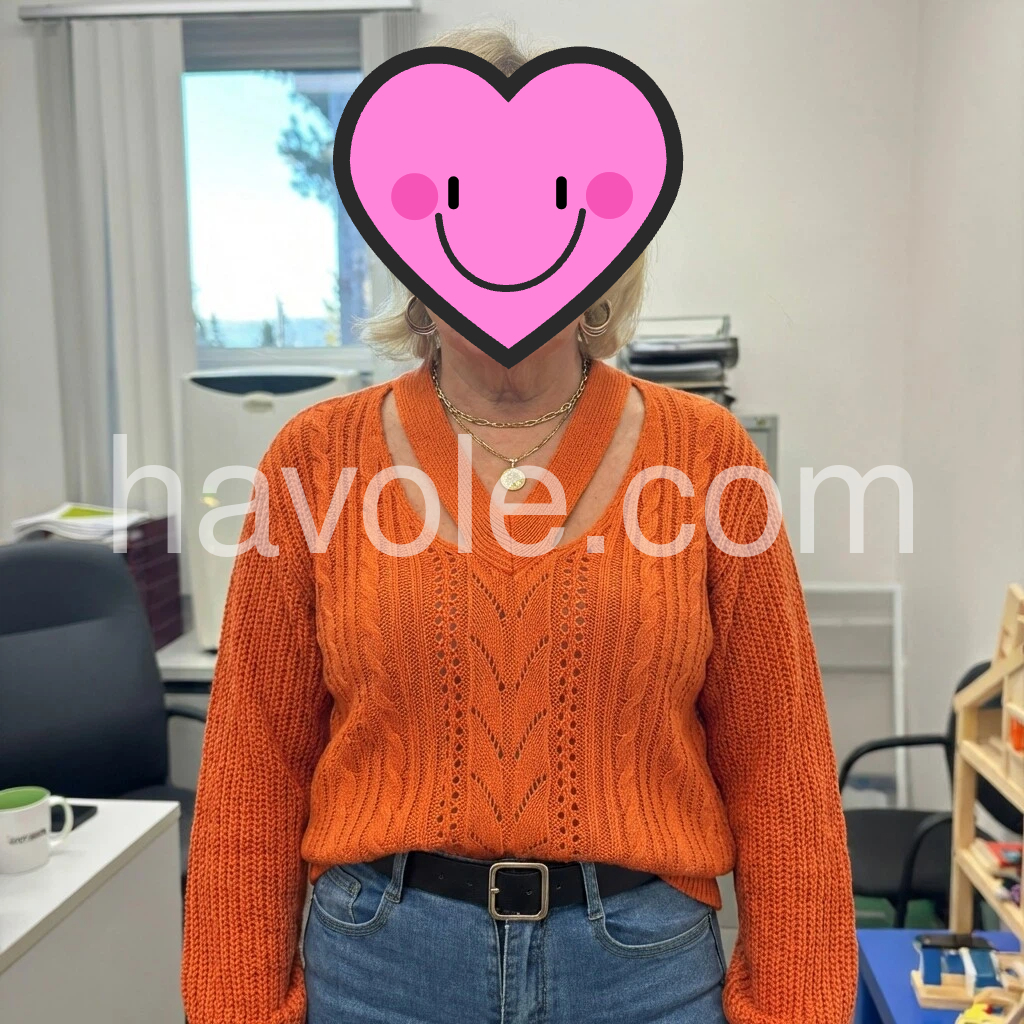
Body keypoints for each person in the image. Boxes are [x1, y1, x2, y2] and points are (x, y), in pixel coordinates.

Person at [181, 22, 858, 1024]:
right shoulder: (314, 461)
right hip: (378, 968)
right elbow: (252, 769)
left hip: (643, 971)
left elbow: (782, 772)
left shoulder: (709, 458)